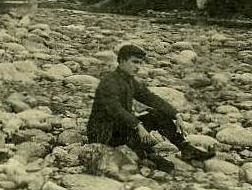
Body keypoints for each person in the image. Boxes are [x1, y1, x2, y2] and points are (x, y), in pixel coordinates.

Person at [87, 44, 214, 173]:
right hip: (103, 134)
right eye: (135, 62)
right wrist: (138, 126)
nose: (138, 67)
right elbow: (116, 109)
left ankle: (186, 150)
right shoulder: (109, 82)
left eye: (140, 63)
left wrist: (176, 115)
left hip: (121, 127)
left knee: (157, 115)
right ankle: (147, 156)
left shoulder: (128, 80)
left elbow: (150, 97)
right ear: (122, 61)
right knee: (136, 130)